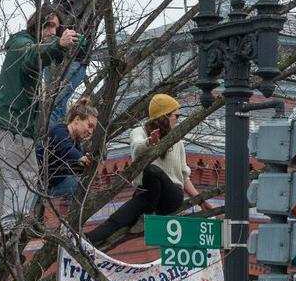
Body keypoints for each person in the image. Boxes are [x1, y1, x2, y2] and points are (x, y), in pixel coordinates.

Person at [0, 5, 78, 242]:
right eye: (48, 26)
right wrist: (58, 45)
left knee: (0, 183)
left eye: (56, 28)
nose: (52, 31)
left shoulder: (22, 44)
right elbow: (31, 57)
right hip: (12, 123)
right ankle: (9, 228)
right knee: (25, 175)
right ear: (36, 25)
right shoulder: (22, 44)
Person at [87, 94, 212, 246]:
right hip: (147, 193)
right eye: (176, 116)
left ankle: (146, 215)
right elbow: (136, 148)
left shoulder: (177, 141)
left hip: (170, 196)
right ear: (165, 116)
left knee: (152, 170)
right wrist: (150, 142)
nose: (178, 120)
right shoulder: (139, 132)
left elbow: (184, 177)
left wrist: (201, 200)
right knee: (120, 216)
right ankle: (89, 240)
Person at [48, 0, 95, 125]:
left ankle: (54, 140)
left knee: (57, 101)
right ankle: (54, 138)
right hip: (56, 56)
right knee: (51, 103)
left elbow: (90, 28)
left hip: (78, 59)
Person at [37, 97, 98, 200]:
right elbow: (65, 147)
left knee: (82, 186)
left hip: (52, 185)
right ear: (77, 119)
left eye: (93, 129)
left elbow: (76, 169)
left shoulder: (77, 145)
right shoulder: (59, 130)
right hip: (35, 182)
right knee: (78, 185)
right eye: (89, 125)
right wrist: (80, 158)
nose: (90, 131)